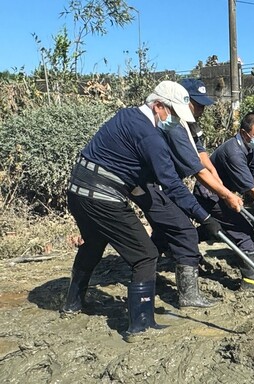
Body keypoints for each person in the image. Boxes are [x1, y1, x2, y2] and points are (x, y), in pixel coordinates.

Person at [61, 80, 223, 341]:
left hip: (78, 190)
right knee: (145, 256)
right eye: (171, 114)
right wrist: (203, 216)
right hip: (103, 197)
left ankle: (72, 303)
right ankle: (141, 325)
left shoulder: (127, 115)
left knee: (93, 243)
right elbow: (171, 183)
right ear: (158, 105)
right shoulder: (149, 134)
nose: (173, 121)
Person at [132, 79, 242, 309]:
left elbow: (202, 158)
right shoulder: (173, 126)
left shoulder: (190, 124)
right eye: (197, 104)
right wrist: (225, 194)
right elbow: (197, 170)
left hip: (165, 183)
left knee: (165, 231)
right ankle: (188, 295)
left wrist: (219, 183)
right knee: (185, 232)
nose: (201, 110)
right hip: (156, 184)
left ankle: (149, 270)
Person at [194, 112, 254, 290]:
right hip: (209, 193)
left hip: (225, 192)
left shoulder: (252, 147)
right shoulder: (234, 152)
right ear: (243, 132)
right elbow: (251, 190)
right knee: (243, 230)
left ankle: (179, 239)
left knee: (217, 228)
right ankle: (251, 281)